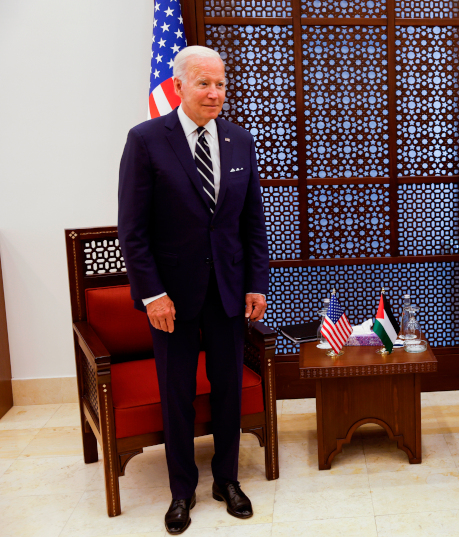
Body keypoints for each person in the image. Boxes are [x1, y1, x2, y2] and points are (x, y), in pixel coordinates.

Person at [118, 46, 269, 535]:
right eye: (204, 83)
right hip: (171, 298)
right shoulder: (145, 141)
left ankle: (226, 479)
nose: (215, 93)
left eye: (221, 84)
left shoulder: (240, 141)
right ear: (179, 87)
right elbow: (133, 230)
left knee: (228, 388)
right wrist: (151, 294)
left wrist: (255, 284)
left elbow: (252, 225)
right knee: (176, 391)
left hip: (227, 289)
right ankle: (181, 489)